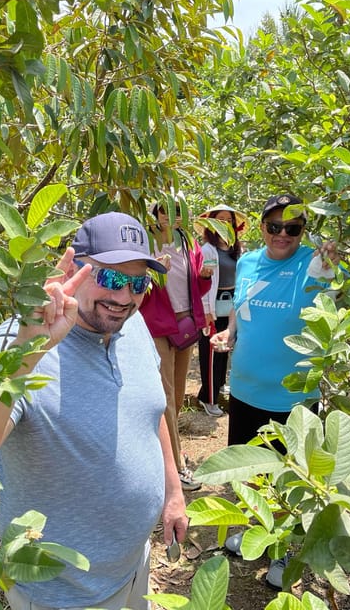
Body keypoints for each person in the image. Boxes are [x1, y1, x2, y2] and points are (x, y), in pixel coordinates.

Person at [0, 212, 189, 610]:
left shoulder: (131, 326)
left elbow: (149, 413)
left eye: (137, 283)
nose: (124, 297)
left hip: (134, 568)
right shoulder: (22, 344)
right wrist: (24, 353)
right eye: (111, 278)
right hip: (62, 594)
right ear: (76, 269)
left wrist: (173, 493)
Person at [210, 193, 341, 590]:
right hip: (246, 389)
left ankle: (285, 550)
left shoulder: (314, 263)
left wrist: (329, 267)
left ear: (303, 230)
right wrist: (230, 332)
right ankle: (258, 530)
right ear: (262, 226)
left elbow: (329, 301)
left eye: (292, 227)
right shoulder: (248, 261)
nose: (281, 234)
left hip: (294, 397)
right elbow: (240, 305)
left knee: (292, 478)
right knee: (250, 468)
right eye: (274, 226)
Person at [139, 201, 212, 491]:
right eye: (164, 211)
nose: (171, 216)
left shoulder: (188, 242)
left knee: (179, 395)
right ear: (154, 215)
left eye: (177, 211)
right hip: (158, 324)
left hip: (185, 323)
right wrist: (154, 273)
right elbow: (135, 285)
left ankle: (168, 446)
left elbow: (194, 286)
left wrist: (204, 278)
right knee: (166, 393)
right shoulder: (147, 243)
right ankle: (176, 467)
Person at [195, 204, 247, 417]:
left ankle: (218, 385)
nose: (225, 224)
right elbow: (204, 282)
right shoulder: (207, 250)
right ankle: (207, 397)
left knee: (226, 347)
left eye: (229, 220)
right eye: (220, 219)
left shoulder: (238, 249)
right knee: (211, 354)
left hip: (232, 305)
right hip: (213, 306)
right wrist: (206, 310)